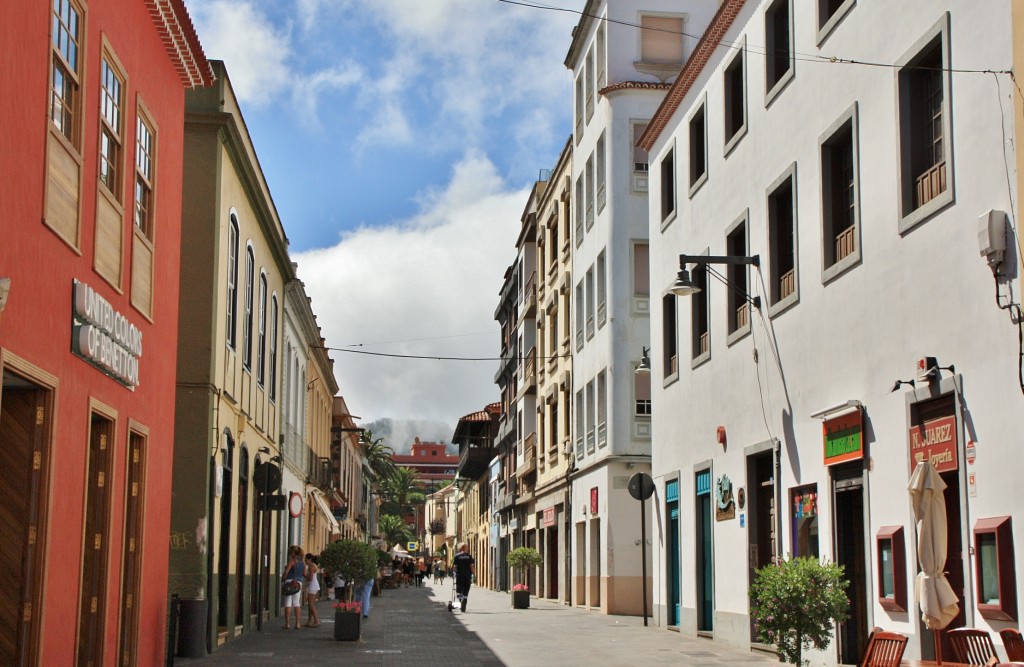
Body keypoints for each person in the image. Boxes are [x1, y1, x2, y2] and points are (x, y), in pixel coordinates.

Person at [282, 545, 305, 629]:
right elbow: (304, 574)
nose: (289, 554)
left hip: (289, 582)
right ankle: (298, 623)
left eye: (290, 552)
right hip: (298, 583)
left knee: (288, 602)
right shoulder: (302, 563)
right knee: (296, 603)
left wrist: (283, 578)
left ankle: (287, 623)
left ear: (293, 553)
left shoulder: (292, 561)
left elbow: (286, 572)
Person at [452, 542, 475, 612]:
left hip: (459, 575)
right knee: (466, 588)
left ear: (459, 548)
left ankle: (461, 599)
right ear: (466, 548)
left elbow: (455, 566)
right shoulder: (469, 556)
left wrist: (454, 573)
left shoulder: (457, 556)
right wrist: (474, 574)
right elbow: (471, 566)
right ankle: (464, 598)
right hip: (467, 575)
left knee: (459, 589)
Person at [304, 553, 321, 627]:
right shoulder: (313, 566)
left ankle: (316, 620)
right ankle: (310, 620)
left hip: (312, 586)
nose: (305, 561)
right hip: (313, 586)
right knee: (310, 604)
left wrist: (304, 575)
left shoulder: (311, 567)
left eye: (306, 559)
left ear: (309, 559)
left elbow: (310, 578)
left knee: (311, 604)